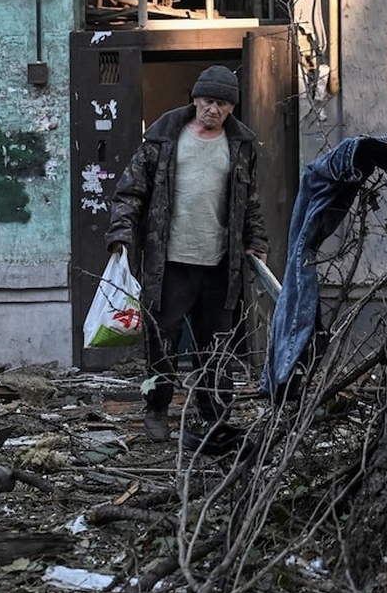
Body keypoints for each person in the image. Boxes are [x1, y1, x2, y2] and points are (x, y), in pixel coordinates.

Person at [105, 65, 269, 442]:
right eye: (209, 101)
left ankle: (214, 417)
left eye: (223, 104)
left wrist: (255, 244)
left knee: (215, 347)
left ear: (231, 109)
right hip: (169, 263)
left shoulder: (240, 146)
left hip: (219, 265)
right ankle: (157, 410)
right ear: (195, 100)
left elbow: (251, 203)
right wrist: (121, 234)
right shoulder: (163, 140)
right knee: (161, 341)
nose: (214, 109)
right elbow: (130, 192)